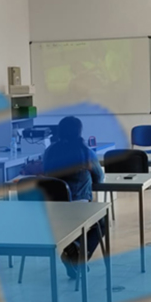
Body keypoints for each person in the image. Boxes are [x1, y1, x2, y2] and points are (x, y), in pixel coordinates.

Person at [42, 116, 107, 278]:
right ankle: (79, 255)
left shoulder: (50, 151)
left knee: (71, 224)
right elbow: (99, 178)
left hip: (53, 209)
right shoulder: (85, 152)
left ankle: (73, 249)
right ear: (79, 131)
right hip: (79, 207)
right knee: (102, 222)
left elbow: (46, 175)